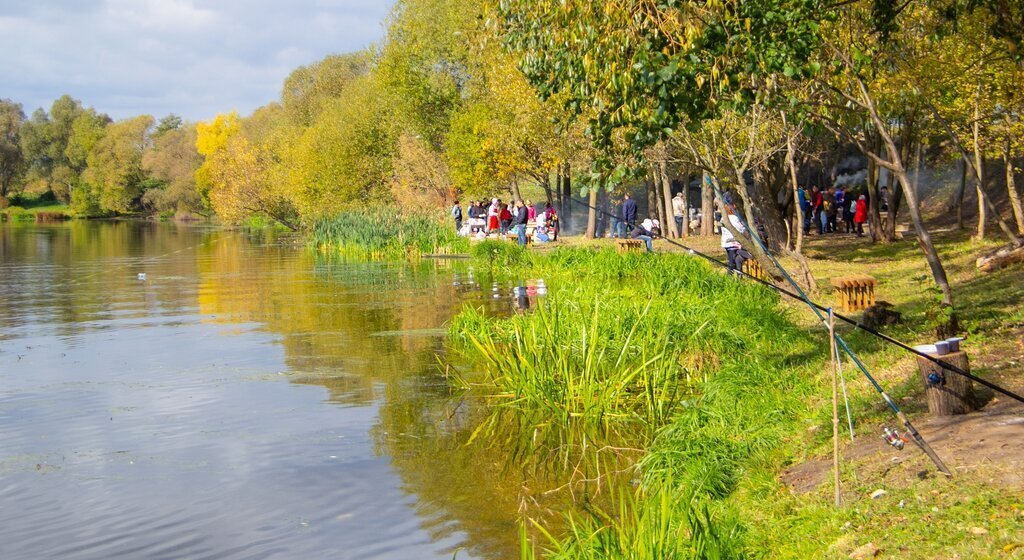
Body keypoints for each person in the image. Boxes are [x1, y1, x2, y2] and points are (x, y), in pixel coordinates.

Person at [721, 205, 751, 273]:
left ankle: (734, 274)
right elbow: (741, 229)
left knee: (731, 259)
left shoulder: (724, 218)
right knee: (733, 260)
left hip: (726, 243)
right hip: (734, 243)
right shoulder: (735, 218)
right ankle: (730, 275)